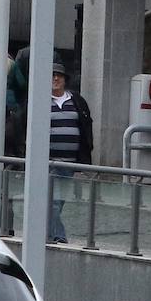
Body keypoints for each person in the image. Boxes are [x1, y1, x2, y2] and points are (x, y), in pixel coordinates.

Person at [46, 63, 93, 244]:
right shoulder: (40, 100)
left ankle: (48, 233)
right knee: (54, 202)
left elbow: (86, 128)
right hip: (49, 163)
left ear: (65, 80)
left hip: (69, 163)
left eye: (59, 75)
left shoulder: (76, 101)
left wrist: (84, 160)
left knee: (58, 202)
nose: (56, 79)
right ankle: (59, 236)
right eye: (52, 75)